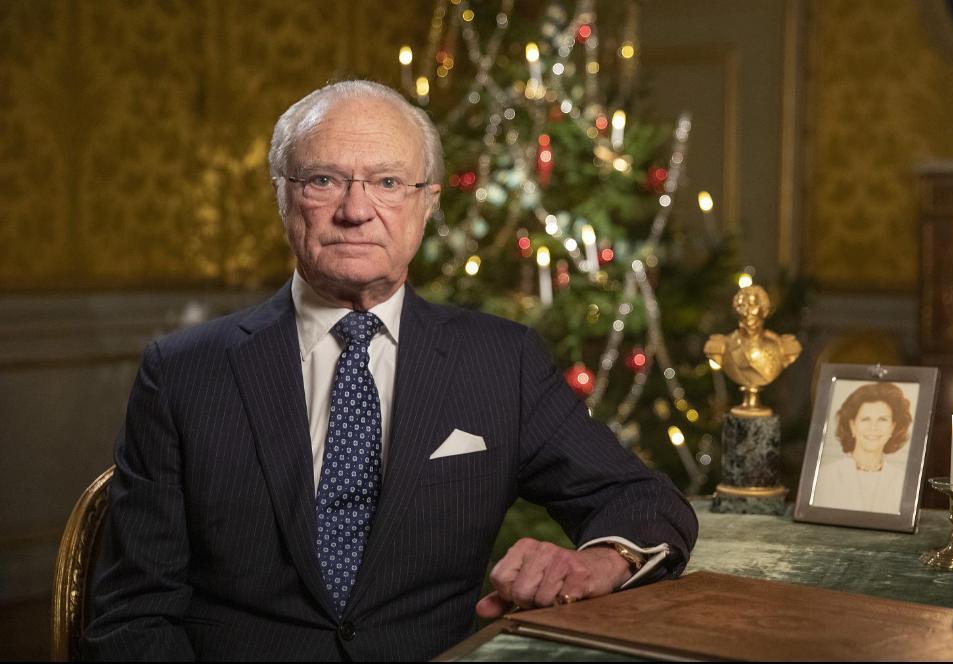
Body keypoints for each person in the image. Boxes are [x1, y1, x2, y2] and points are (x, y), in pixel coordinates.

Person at [84, 79, 697, 661]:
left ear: (427, 203)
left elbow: (639, 497)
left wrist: (603, 559)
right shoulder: (185, 371)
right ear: (283, 195)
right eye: (323, 180)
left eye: (386, 181)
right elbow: (135, 611)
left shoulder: (499, 361)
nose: (356, 210)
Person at [810, 382, 913, 514]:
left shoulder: (903, 480)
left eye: (882, 419)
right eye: (865, 419)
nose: (873, 428)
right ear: (852, 425)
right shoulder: (824, 476)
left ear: (893, 427)